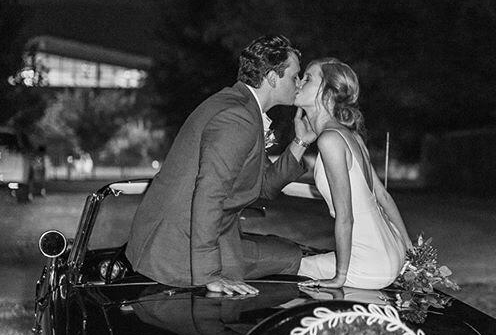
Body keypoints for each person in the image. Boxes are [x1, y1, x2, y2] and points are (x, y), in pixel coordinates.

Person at [126, 35, 316, 296]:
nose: (298, 83)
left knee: (288, 251)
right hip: (180, 250)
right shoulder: (237, 118)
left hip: (211, 235)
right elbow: (208, 196)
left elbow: (263, 187)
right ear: (272, 78)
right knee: (292, 257)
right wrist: (209, 275)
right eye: (295, 76)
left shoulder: (241, 106)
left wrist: (300, 142)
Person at [295, 58, 412, 289]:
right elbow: (383, 196)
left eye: (308, 78)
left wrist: (339, 277)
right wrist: (408, 248)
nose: (299, 82)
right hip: (392, 251)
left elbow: (345, 216)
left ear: (327, 94)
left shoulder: (330, 140)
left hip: (369, 265)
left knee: (287, 266)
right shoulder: (351, 137)